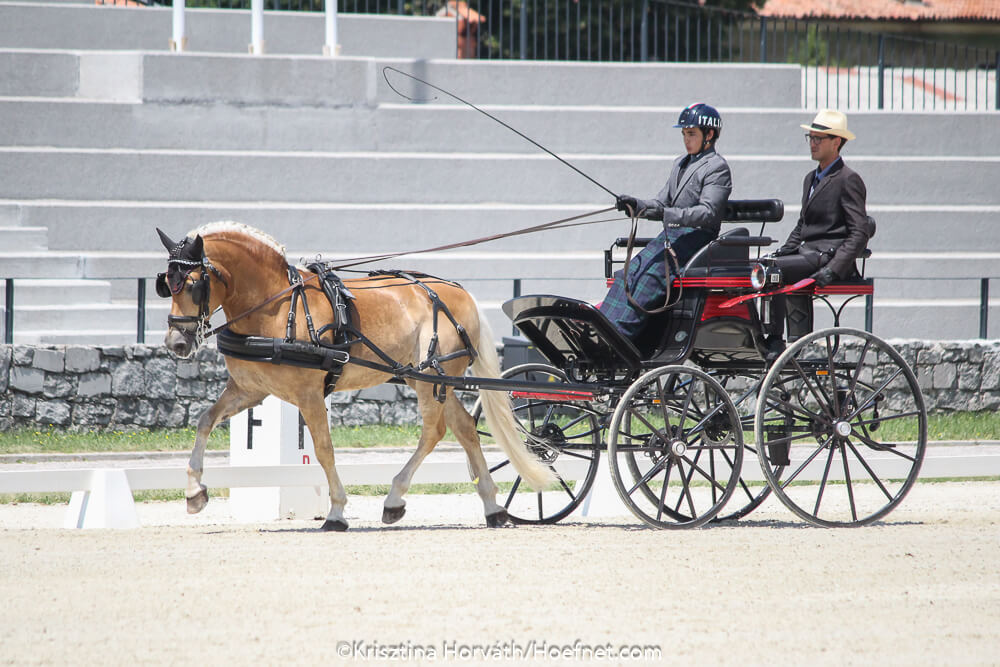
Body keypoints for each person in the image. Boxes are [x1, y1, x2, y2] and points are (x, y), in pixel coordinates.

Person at [601, 103, 733, 340]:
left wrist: (668, 215)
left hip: (696, 241)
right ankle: (605, 330)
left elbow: (709, 213)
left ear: (709, 134)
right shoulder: (680, 164)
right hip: (671, 239)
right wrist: (636, 205)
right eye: (684, 134)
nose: (686, 139)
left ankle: (620, 335)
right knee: (627, 273)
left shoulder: (717, 167)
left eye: (691, 133)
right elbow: (661, 203)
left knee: (650, 278)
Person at [763, 108, 870, 359]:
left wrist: (834, 268)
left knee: (775, 269)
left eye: (818, 139)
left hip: (826, 255)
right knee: (766, 265)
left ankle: (776, 339)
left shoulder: (848, 179)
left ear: (836, 142)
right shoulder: (810, 178)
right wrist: (781, 252)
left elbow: (859, 231)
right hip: (806, 253)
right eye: (810, 138)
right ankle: (778, 334)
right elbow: (802, 225)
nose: (812, 143)